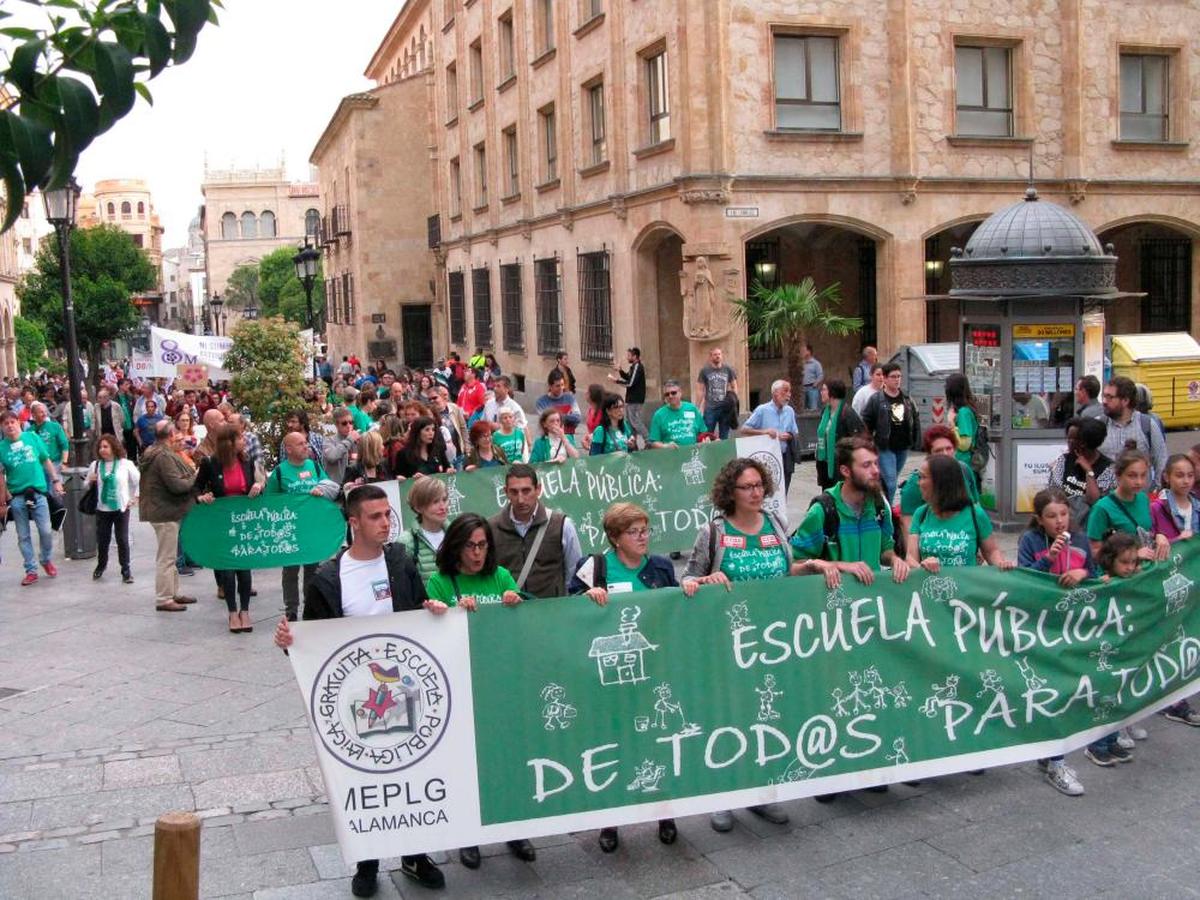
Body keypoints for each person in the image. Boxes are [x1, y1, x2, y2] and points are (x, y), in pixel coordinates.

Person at [273, 484, 444, 894]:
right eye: (375, 517)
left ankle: (415, 855)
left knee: (411, 773)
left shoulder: (400, 562)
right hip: (358, 700)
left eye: (388, 515)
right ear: (354, 523)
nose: (386, 523)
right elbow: (314, 645)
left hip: (406, 692)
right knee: (364, 781)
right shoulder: (328, 580)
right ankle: (367, 864)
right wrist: (289, 641)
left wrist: (433, 611)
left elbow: (417, 611)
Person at [682, 457, 815, 831]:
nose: (757, 492)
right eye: (747, 487)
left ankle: (761, 792)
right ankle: (724, 795)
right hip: (729, 644)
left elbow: (786, 571)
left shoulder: (775, 524)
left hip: (774, 642)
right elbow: (689, 581)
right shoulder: (714, 532)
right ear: (731, 492)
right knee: (729, 717)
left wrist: (814, 567)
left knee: (768, 715)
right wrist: (705, 583)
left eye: (760, 485)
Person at [422, 513, 537, 870]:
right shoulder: (440, 582)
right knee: (466, 761)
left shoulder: (500, 576)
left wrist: (517, 602)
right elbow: (430, 634)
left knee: (505, 758)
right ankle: (467, 834)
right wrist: (447, 613)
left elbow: (527, 621)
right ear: (455, 546)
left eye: (483, 545)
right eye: (471, 546)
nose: (477, 553)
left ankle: (514, 827)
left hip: (499, 681)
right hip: (461, 681)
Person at [567, 502, 678, 852]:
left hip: (652, 671)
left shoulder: (659, 566)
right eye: (634, 531)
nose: (643, 537)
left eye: (645, 529)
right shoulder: (594, 567)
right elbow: (567, 611)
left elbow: (673, 610)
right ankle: (610, 820)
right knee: (613, 743)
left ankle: (666, 811)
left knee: (656, 741)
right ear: (615, 538)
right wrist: (586, 597)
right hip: (609, 677)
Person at [1016, 489, 1092, 796]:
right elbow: (1022, 581)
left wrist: (1083, 571)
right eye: (1051, 516)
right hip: (1040, 628)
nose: (1059, 521)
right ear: (1039, 520)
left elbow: (1097, 574)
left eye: (1063, 514)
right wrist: (1049, 558)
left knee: (1068, 692)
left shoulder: (1082, 540)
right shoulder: (1031, 542)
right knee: (1051, 691)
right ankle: (1057, 761)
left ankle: (1050, 754)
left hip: (1072, 628)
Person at [194, 424, 265, 633]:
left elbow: (260, 484)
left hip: (244, 522)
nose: (244, 440)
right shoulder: (211, 463)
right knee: (227, 568)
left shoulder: (247, 461)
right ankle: (232, 611)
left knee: (244, 568)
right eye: (240, 437)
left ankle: (245, 610)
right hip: (222, 522)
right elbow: (196, 487)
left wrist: (258, 487)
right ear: (229, 442)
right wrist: (202, 497)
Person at [266, 430, 341, 621]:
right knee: (290, 571)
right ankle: (291, 609)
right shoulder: (280, 472)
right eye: (300, 444)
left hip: (312, 529)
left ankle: (311, 605)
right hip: (290, 531)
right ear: (289, 449)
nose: (306, 446)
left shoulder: (314, 466)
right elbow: (270, 502)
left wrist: (321, 490)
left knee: (312, 569)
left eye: (306, 442)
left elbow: (329, 486)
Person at [1083, 532, 1142, 768]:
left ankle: (1113, 738)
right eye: (1124, 563)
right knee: (1104, 697)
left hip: (1122, 647)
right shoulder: (1102, 581)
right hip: (1103, 650)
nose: (1130, 568)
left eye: (1133, 562)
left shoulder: (1133, 577)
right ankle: (1096, 745)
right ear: (1109, 561)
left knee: (1118, 694)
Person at [489, 463, 582, 598]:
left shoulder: (562, 525)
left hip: (550, 610)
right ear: (506, 492)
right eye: (514, 492)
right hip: (509, 612)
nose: (520, 499)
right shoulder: (492, 528)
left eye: (526, 491)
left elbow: (574, 574)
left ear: (538, 489)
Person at [907, 455, 1014, 571]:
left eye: (922, 477)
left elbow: (991, 551)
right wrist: (923, 567)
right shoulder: (921, 513)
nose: (918, 483)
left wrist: (1001, 564)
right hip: (931, 586)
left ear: (940, 483)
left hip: (967, 587)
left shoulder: (975, 514)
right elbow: (910, 558)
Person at [138, 420, 198, 611]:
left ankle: (173, 592)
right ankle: (164, 598)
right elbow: (177, 485)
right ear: (171, 434)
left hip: (162, 509)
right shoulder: (163, 456)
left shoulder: (155, 451)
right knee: (166, 557)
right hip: (165, 511)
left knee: (169, 555)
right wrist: (195, 476)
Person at [0, 410, 64, 586]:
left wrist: (56, 480)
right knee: (23, 535)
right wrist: (3, 501)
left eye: (12, 422)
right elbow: (0, 476)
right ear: (2, 427)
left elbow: (46, 460)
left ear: (19, 422)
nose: (10, 426)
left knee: (45, 530)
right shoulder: (1, 448)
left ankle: (45, 559)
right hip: (17, 495)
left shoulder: (32, 437)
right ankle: (31, 569)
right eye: (6, 423)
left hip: (37, 492)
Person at [1086, 447, 1170, 565]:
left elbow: (1147, 530)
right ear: (1118, 475)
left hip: (1144, 569)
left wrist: (1159, 536)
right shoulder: (1102, 508)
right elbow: (1094, 551)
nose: (1139, 482)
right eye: (1132, 476)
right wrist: (1132, 555)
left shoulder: (1143, 498)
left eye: (1143, 475)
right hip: (1119, 575)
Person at [898, 425, 978, 536]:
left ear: (955, 449)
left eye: (948, 448)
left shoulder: (964, 470)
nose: (945, 454)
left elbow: (976, 509)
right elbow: (907, 524)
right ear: (929, 455)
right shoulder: (917, 483)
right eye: (939, 451)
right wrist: (914, 553)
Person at [861, 363, 920, 505]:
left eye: (899, 376)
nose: (897, 380)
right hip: (885, 447)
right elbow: (866, 421)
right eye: (893, 377)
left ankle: (876, 501)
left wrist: (916, 440)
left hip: (903, 446)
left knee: (888, 480)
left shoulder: (906, 398)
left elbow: (915, 417)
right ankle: (887, 512)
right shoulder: (877, 399)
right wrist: (867, 443)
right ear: (885, 379)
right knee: (891, 483)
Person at [87, 433, 140, 585]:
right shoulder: (95, 465)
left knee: (122, 539)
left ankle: (126, 570)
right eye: (100, 447)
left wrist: (134, 498)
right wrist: (90, 481)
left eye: (106, 447)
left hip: (121, 507)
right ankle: (101, 565)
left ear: (114, 447)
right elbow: (86, 484)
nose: (102, 450)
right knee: (103, 540)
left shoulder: (125, 464)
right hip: (102, 508)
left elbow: (138, 481)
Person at [1047, 417, 1115, 530]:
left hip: (1092, 527)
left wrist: (1089, 471)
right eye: (1068, 437)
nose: (1068, 441)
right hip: (1065, 525)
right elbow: (1054, 493)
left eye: (1072, 438)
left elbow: (1094, 501)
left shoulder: (1108, 468)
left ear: (1083, 443)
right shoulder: (1064, 461)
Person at [1099, 376, 1167, 485]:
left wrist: (1157, 492)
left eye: (1110, 397)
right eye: (1104, 396)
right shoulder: (1099, 425)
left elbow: (1161, 461)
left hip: (1140, 497)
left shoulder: (1147, 425)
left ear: (1125, 400)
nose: (1104, 401)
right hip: (1105, 498)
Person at [742, 379, 802, 493]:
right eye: (785, 391)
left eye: (790, 392)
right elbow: (744, 429)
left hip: (785, 456)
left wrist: (789, 436)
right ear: (775, 393)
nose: (788, 395)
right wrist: (764, 432)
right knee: (767, 491)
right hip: (768, 457)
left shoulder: (790, 411)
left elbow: (795, 432)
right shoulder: (762, 410)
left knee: (784, 491)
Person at [396, 476, 450, 585]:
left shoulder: (458, 534)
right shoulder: (406, 541)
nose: (443, 506)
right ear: (418, 507)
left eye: (444, 500)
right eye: (435, 502)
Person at [810, 380, 861, 491]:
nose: (821, 392)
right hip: (825, 465)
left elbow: (858, 440)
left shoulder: (847, 413)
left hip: (840, 466)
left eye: (824, 389)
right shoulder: (825, 411)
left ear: (832, 393)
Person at [1152, 454, 1200, 544]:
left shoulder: (1197, 505)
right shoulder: (1157, 508)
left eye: (1190, 475)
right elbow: (1150, 544)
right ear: (1166, 477)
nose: (1186, 481)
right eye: (1180, 476)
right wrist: (1177, 539)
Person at [648, 380, 704, 449]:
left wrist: (704, 440)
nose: (670, 396)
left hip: (693, 454)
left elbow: (703, 432)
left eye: (673, 393)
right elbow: (653, 442)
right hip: (671, 456)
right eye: (667, 394)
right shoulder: (659, 415)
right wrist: (665, 446)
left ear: (680, 392)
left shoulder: (692, 409)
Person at [696, 347, 738, 439]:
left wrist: (734, 402)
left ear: (722, 356)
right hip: (710, 408)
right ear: (710, 357)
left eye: (719, 354)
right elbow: (700, 389)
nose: (717, 356)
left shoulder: (728, 369)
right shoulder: (704, 371)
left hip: (725, 408)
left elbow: (734, 385)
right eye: (715, 355)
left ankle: (723, 453)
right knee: (707, 434)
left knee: (724, 435)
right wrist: (697, 407)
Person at [608, 347, 646, 443]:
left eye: (629, 356)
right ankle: (632, 442)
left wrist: (616, 381)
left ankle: (648, 440)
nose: (627, 357)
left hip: (635, 399)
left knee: (635, 421)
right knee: (630, 423)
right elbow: (628, 377)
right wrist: (620, 370)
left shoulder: (637, 366)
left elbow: (630, 383)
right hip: (631, 398)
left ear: (635, 356)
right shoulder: (633, 367)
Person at [944, 373, 980, 475]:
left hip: (963, 462)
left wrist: (951, 424)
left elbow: (964, 445)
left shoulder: (964, 412)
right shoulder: (966, 410)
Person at [27, 402, 69, 476]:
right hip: (38, 465)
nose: (44, 414)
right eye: (41, 412)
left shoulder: (55, 426)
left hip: (55, 463)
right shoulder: (29, 431)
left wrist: (64, 462)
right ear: (33, 415)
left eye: (45, 411)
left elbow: (64, 445)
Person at [322, 407, 360, 485]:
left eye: (351, 422)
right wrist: (349, 440)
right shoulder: (329, 441)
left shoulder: (356, 439)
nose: (348, 426)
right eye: (344, 423)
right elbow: (332, 456)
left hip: (355, 484)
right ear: (336, 425)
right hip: (337, 486)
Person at [800, 342, 824, 410]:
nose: (802, 352)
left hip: (812, 389)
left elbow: (820, 375)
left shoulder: (816, 364)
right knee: (803, 409)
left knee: (813, 408)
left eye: (804, 350)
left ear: (809, 351)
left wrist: (815, 383)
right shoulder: (801, 364)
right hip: (802, 389)